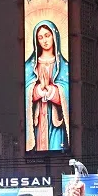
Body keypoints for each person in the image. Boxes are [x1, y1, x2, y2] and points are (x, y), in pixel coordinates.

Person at [25, 21, 70, 152]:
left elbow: (68, 90)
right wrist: (38, 90)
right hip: (38, 119)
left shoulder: (63, 65)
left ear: (54, 36)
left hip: (56, 120)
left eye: (47, 35)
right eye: (40, 37)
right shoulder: (30, 66)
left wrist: (51, 90)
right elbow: (25, 90)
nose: (44, 40)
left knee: (56, 149)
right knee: (39, 150)